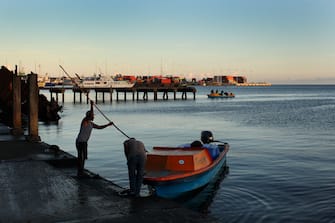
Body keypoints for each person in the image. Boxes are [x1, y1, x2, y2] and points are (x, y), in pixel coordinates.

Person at [76, 100, 113, 177]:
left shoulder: (91, 124)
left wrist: (108, 125)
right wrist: (92, 106)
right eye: (92, 115)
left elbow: (99, 127)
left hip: (84, 142)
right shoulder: (85, 121)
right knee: (81, 157)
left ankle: (81, 171)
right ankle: (80, 172)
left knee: (84, 157)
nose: (94, 117)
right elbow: (89, 115)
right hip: (80, 142)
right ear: (89, 116)